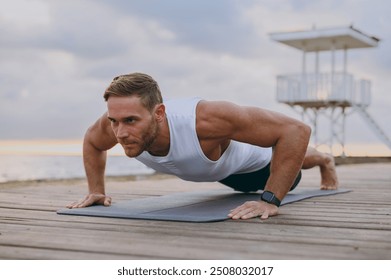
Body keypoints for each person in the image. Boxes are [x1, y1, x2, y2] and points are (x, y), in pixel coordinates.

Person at [67, 72, 339, 220]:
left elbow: (295, 130)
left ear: (159, 113)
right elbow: (92, 142)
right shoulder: (113, 124)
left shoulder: (205, 119)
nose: (120, 132)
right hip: (220, 175)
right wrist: (96, 191)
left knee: (298, 163)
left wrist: (269, 201)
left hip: (259, 168)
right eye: (115, 121)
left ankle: (325, 160)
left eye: (130, 121)